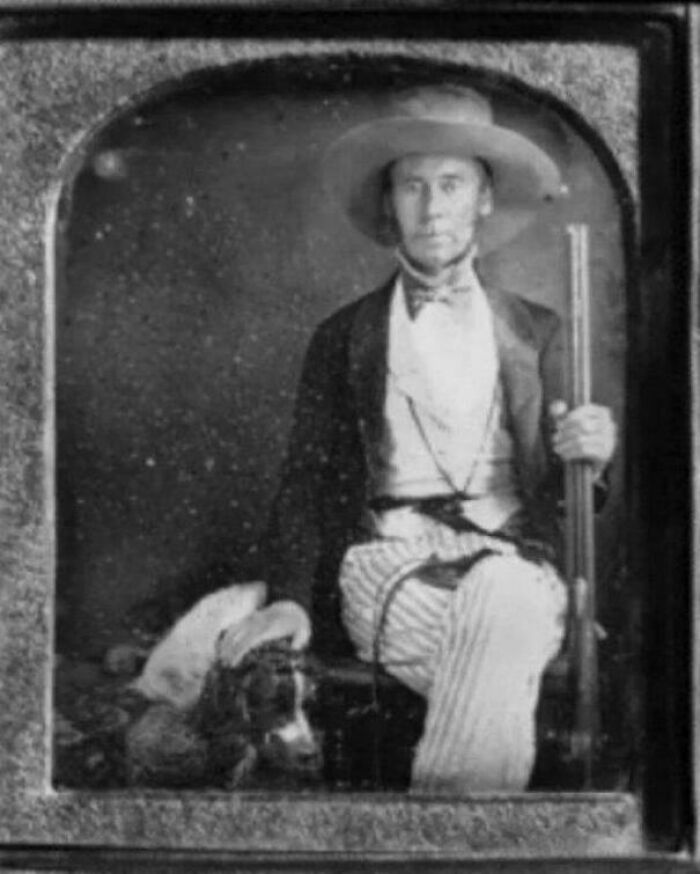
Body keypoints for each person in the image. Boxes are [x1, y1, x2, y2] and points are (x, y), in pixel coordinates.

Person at [222, 85, 617, 792]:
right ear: (388, 202)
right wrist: (289, 596)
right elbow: (305, 481)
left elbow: (566, 494)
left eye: (452, 183)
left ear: (485, 198)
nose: (433, 209)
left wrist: (590, 454)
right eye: (413, 186)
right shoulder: (342, 338)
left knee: (504, 595)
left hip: (513, 561)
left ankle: (442, 822)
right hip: (386, 569)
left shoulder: (541, 330)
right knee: (511, 630)